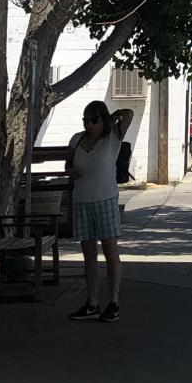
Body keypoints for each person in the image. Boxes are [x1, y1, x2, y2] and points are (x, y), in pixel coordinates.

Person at [65, 101, 133, 322]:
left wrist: (111, 118)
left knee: (110, 251)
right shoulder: (77, 140)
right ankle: (91, 302)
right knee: (88, 255)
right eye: (86, 120)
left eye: (94, 119)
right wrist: (71, 172)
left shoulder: (112, 137)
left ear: (103, 119)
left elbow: (129, 114)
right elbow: (68, 165)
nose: (89, 124)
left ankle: (114, 302)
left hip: (105, 199)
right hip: (81, 200)